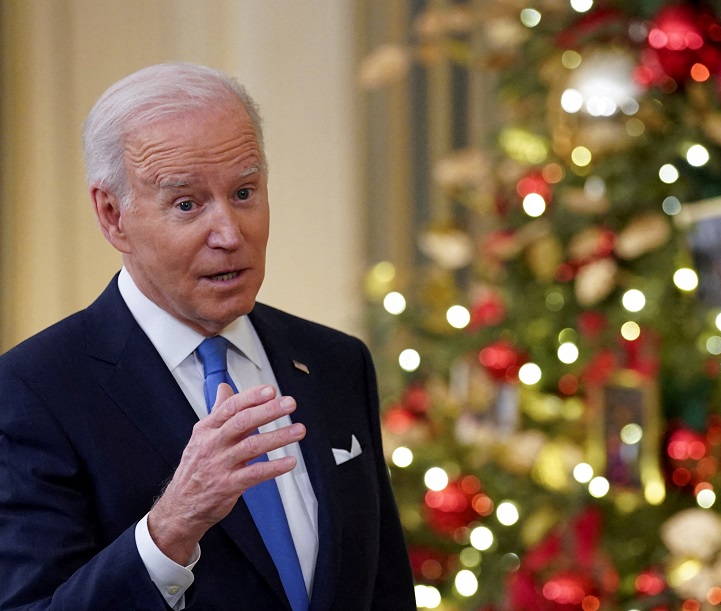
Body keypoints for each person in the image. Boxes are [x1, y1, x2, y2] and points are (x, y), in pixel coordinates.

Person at [0, 62, 416, 610]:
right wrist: (170, 527)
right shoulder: (35, 390)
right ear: (112, 215)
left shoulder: (335, 361)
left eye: (245, 192)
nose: (229, 233)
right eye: (187, 204)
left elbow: (383, 590)